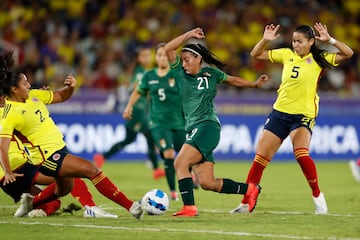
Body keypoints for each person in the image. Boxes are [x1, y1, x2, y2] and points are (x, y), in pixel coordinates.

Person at [0, 52, 143, 219]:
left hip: (60, 148)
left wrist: (71, 88)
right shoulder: (9, 113)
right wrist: (8, 171)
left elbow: (60, 96)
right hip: (46, 157)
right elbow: (3, 145)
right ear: (14, 89)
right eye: (25, 84)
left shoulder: (34, 95)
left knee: (63, 189)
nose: (29, 85)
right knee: (92, 170)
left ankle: (31, 203)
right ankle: (130, 207)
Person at [231, 23, 354, 215]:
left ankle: (317, 196)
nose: (296, 45)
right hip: (280, 112)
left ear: (311, 42)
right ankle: (246, 202)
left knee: (301, 155)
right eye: (294, 41)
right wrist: (265, 40)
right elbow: (255, 54)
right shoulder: (286, 54)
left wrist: (330, 40)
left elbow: (349, 53)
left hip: (303, 115)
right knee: (260, 159)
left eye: (300, 41)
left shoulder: (318, 60)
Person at [164, 27, 269, 217]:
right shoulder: (180, 73)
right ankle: (250, 190)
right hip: (194, 129)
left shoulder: (212, 74)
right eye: (183, 60)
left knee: (180, 163)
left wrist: (253, 84)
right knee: (207, 183)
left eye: (187, 59)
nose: (184, 63)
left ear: (198, 59)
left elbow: (233, 80)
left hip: (207, 127)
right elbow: (168, 50)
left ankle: (189, 207)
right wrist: (188, 35)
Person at [123, 43, 186, 201]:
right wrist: (129, 106)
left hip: (178, 123)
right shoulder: (149, 76)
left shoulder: (177, 74)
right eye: (159, 55)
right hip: (158, 124)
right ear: (156, 57)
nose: (162, 58)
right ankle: (173, 191)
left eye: (165, 55)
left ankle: (192, 175)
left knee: (186, 157)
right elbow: (138, 91)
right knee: (168, 153)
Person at [93, 47, 165, 180]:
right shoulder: (140, 73)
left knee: (129, 139)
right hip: (138, 111)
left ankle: (102, 157)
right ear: (138, 58)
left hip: (142, 110)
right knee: (150, 136)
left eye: (148, 55)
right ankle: (156, 169)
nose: (147, 58)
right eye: (144, 56)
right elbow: (138, 88)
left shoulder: (142, 71)